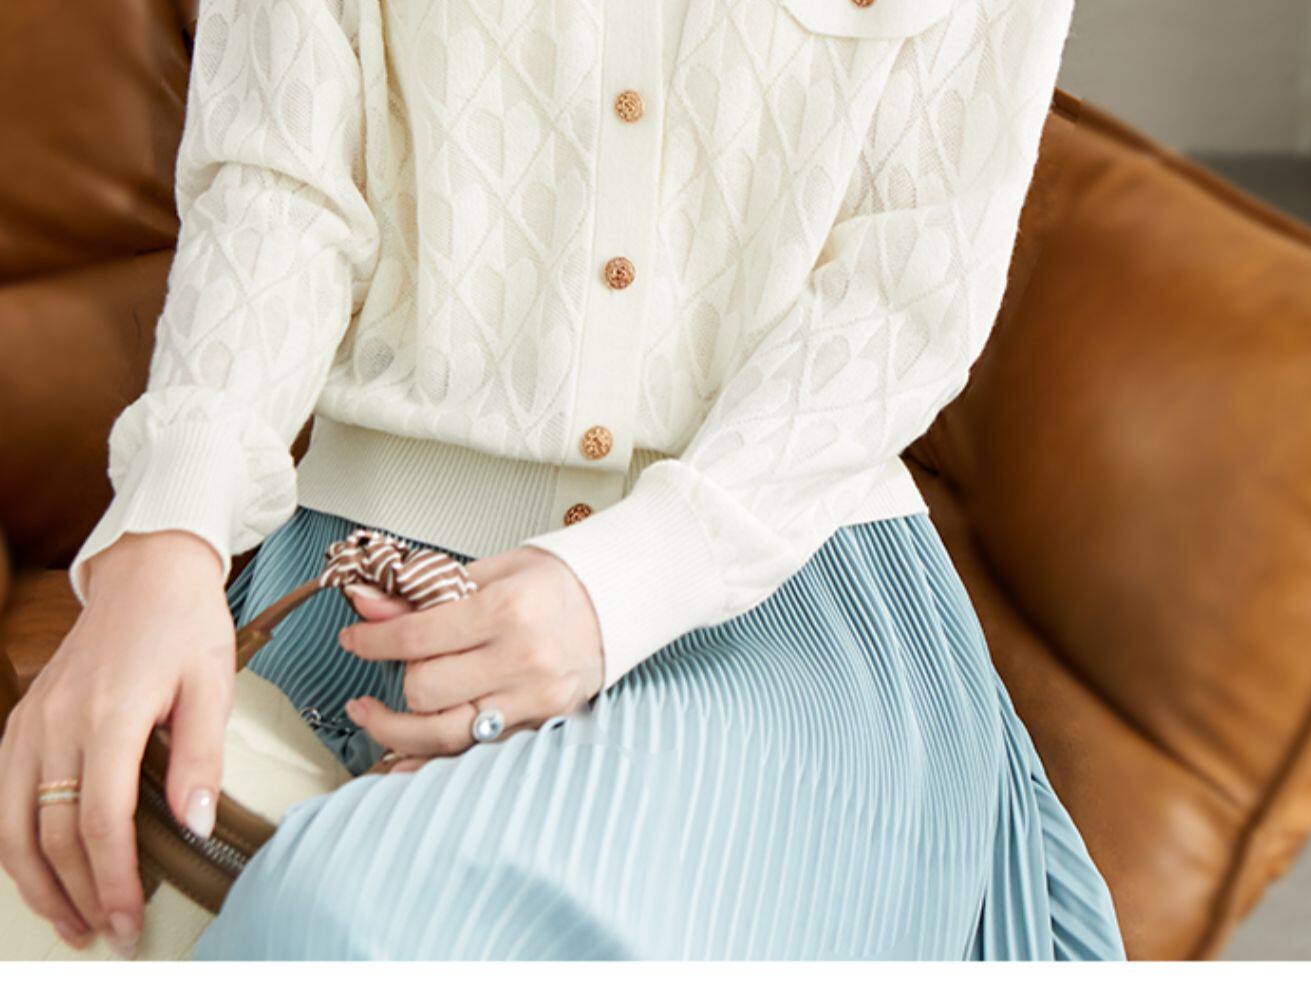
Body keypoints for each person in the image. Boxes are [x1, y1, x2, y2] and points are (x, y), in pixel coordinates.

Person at [0, 0, 1123, 960]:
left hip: (775, 607)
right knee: (62, 900)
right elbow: (278, 186)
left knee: (356, 926)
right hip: (359, 586)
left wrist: (616, 586)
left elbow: (906, 288)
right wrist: (166, 540)